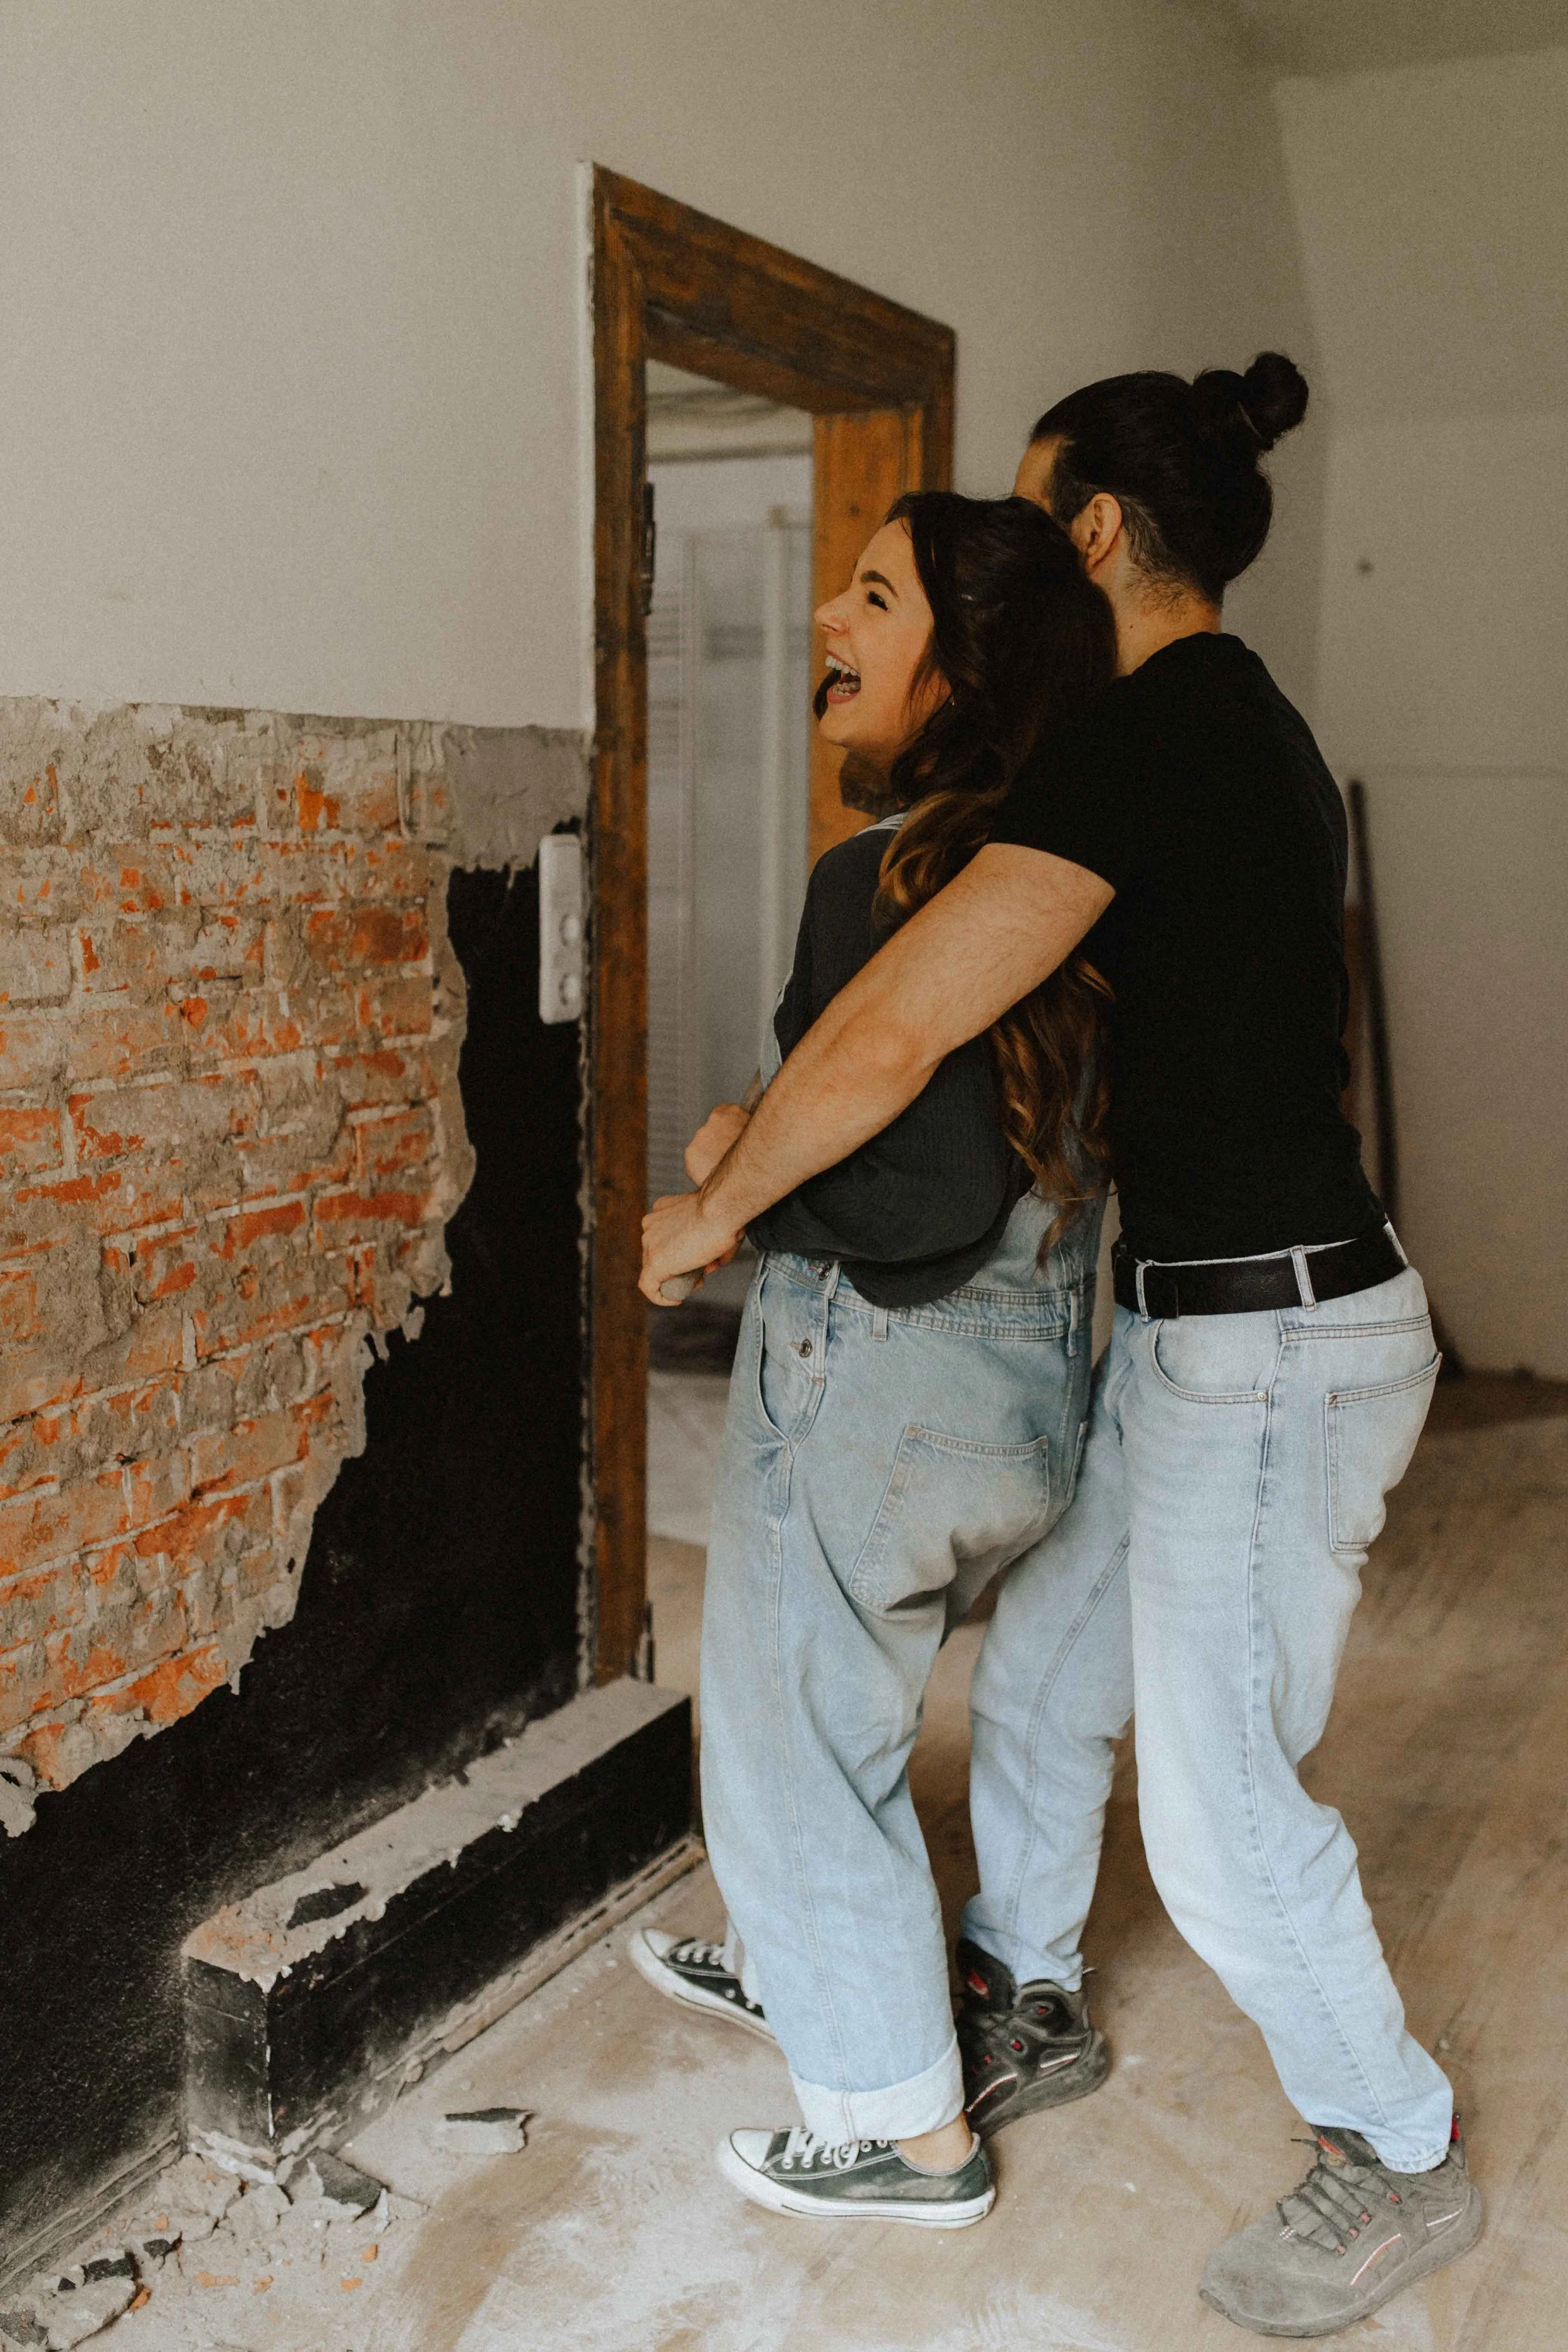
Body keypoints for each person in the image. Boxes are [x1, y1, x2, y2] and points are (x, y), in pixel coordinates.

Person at [640, 355, 1481, 2338]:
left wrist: (716, 1205)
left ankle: (1397, 2142)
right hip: (1204, 1332)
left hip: (1271, 1349)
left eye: (1032, 523)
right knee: (1040, 1688)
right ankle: (1015, 1997)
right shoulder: (1243, 726)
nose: (1016, 558)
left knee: (1214, 1813)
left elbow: (888, 1035)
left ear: (1096, 533)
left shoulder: (1147, 728)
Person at [633, 490, 1118, 2229]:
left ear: (958, 666)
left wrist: (734, 1189)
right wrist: (758, 1133)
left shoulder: (883, 878)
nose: (830, 622)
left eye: (870, 594)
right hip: (1024, 1394)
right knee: (850, 1712)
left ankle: (903, 2131)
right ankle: (810, 1970)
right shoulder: (1057, 887)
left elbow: (915, 1189)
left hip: (883, 1380)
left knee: (790, 1735)